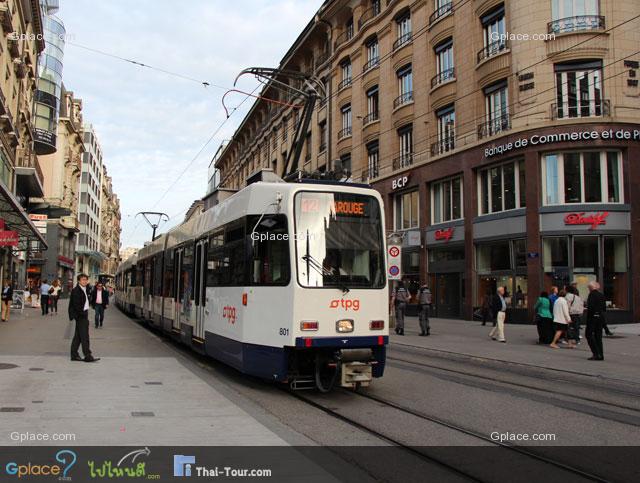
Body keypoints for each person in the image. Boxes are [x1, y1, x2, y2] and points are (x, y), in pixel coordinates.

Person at [69, 273, 99, 362]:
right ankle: (88, 356)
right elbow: (76, 305)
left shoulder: (85, 289)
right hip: (81, 316)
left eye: (86, 280)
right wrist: (82, 315)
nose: (85, 281)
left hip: (83, 314)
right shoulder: (76, 290)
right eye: (83, 280)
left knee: (78, 337)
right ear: (79, 281)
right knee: (85, 336)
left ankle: (74, 355)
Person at [586, 281, 606, 361]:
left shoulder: (591, 295)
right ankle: (601, 355)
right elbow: (604, 308)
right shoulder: (601, 295)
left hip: (592, 318)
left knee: (588, 335)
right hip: (600, 318)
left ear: (591, 287)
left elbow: (590, 307)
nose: (588, 289)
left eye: (588, 288)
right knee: (598, 336)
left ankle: (596, 353)